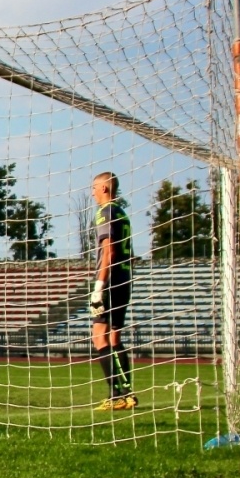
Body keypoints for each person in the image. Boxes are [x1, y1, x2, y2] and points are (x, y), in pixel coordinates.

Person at [89, 171, 135, 410]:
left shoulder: (104, 212)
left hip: (109, 281)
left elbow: (109, 252)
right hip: (125, 279)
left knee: (99, 336)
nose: (93, 193)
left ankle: (115, 394)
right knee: (115, 336)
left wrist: (98, 286)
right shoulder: (122, 213)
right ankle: (127, 393)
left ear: (105, 188)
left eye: (95, 188)